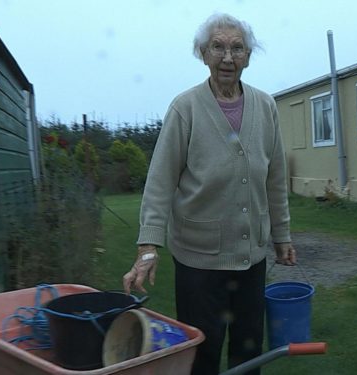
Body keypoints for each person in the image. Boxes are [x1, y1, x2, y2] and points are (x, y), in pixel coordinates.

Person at [123, 12, 296, 375]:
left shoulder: (265, 107)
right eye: (218, 47)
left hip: (251, 256)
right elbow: (160, 180)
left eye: (237, 48)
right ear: (202, 53)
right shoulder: (184, 108)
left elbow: (276, 178)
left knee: (249, 345)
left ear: (249, 55)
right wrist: (148, 245)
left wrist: (281, 235)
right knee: (203, 348)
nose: (228, 57)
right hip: (198, 258)